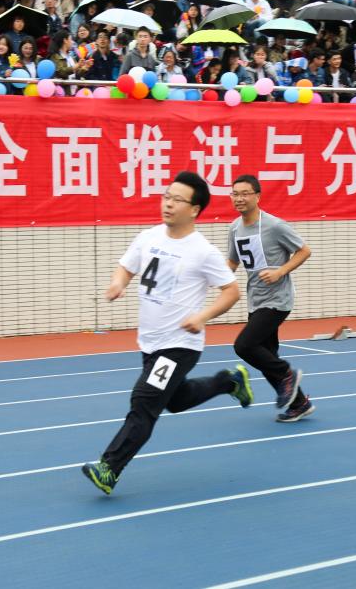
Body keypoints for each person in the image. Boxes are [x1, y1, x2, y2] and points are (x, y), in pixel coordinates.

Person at [80, 171, 249, 495]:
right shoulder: (148, 237)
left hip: (180, 344)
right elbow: (126, 266)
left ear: (195, 209)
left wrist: (202, 316)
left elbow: (231, 292)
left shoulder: (203, 251)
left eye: (177, 200)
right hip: (150, 342)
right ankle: (229, 381)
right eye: (166, 197)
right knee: (176, 400)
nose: (168, 204)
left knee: (144, 401)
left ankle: (109, 468)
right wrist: (118, 283)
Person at [226, 174, 314, 421]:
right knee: (266, 356)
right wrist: (214, 280)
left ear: (257, 196)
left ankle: (287, 373)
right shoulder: (235, 228)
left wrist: (280, 271)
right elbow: (232, 261)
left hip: (277, 300)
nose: (239, 198)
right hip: (256, 298)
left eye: (245, 193)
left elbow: (304, 251)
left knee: (244, 345)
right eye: (235, 194)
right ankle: (300, 404)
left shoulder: (275, 226)